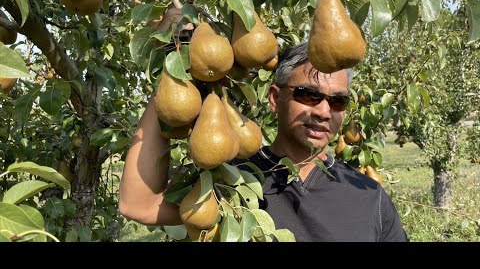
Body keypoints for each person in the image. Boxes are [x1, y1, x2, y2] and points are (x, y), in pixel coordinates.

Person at [118, 41, 409, 242]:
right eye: (308, 94)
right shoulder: (230, 179)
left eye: (338, 101)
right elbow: (138, 204)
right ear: (274, 98)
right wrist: (174, 71)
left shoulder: (370, 197)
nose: (323, 111)